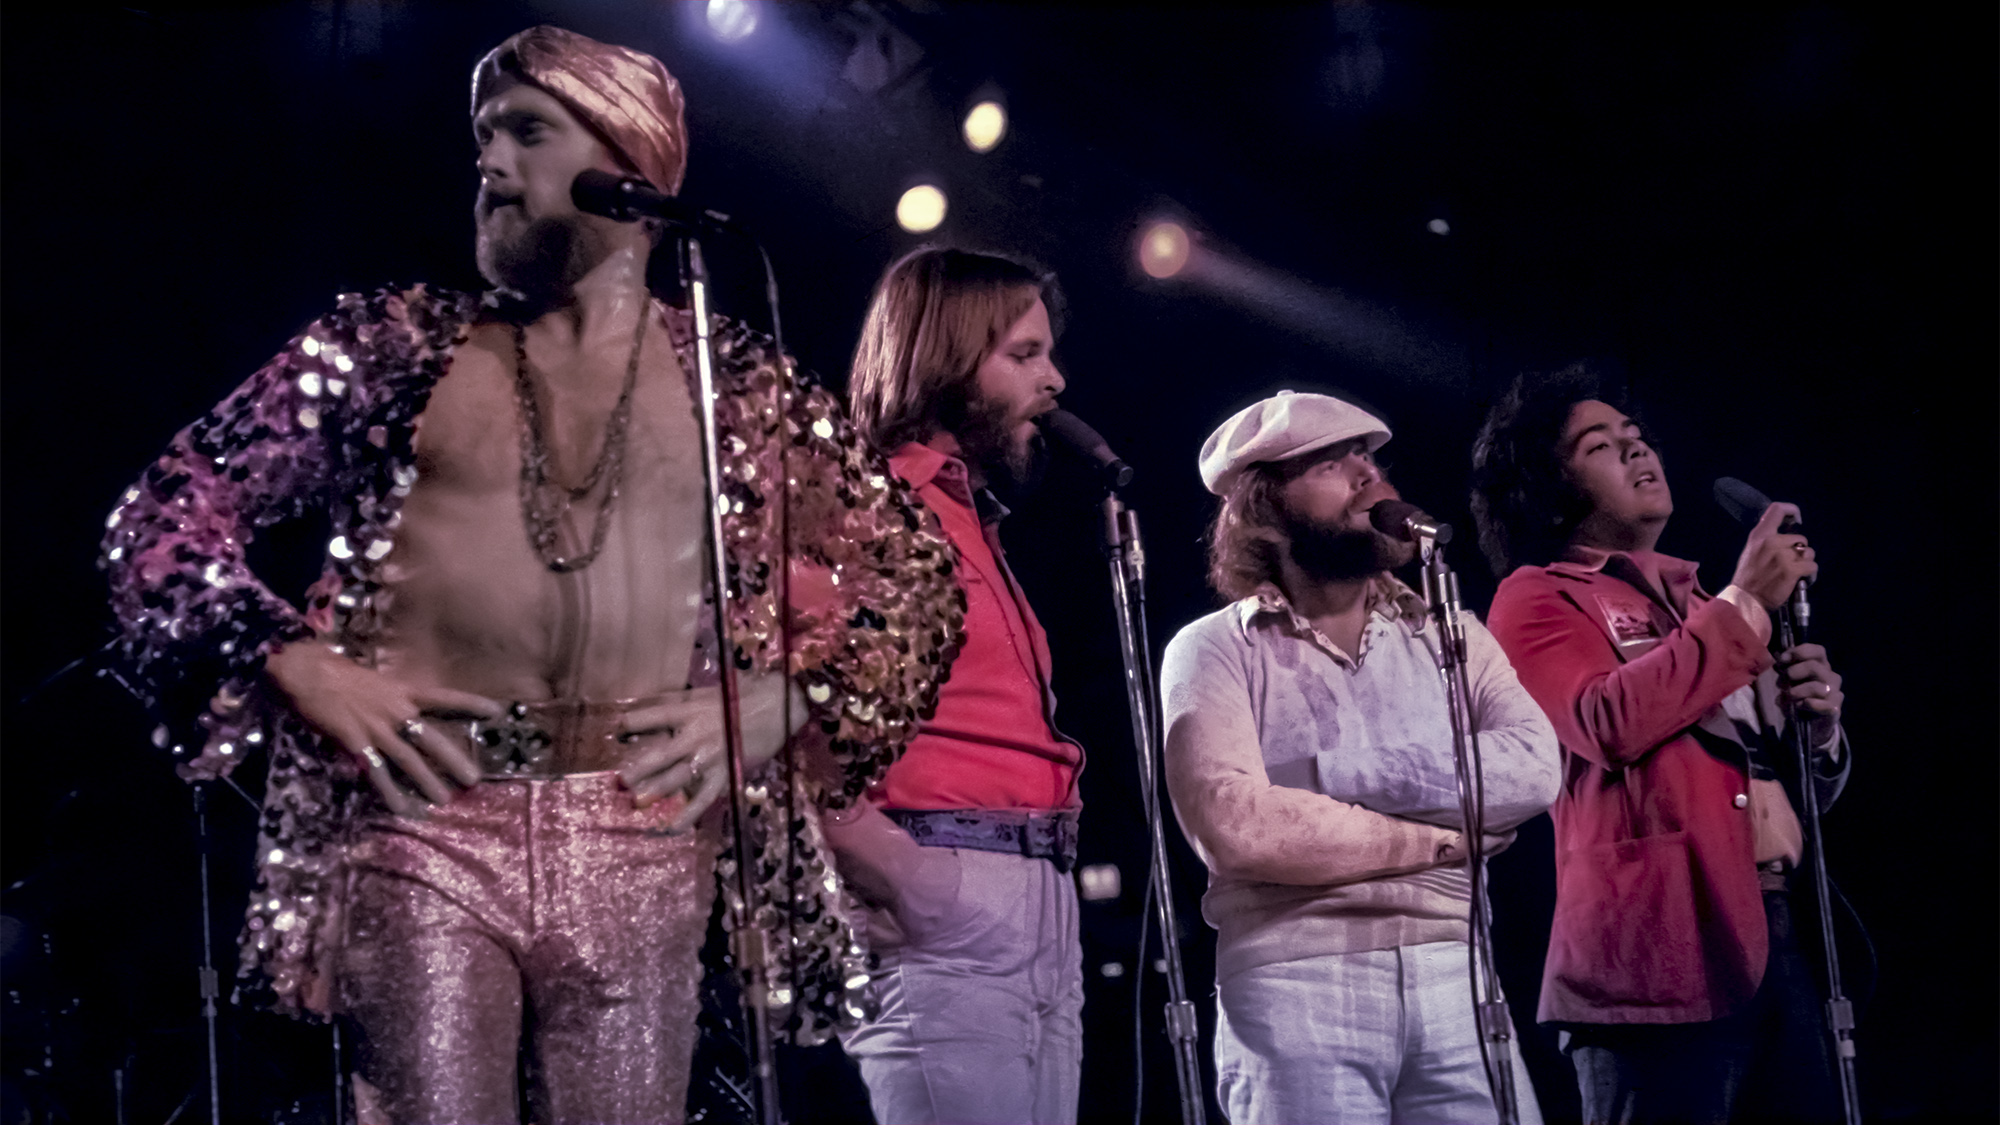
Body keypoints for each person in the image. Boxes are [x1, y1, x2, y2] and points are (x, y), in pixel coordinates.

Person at [101, 26, 961, 1125]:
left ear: (630, 167)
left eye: (526, 131)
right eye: (482, 138)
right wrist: (292, 659)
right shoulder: (390, 344)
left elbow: (916, 577)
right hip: (424, 820)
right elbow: (162, 514)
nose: (491, 163)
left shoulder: (733, 378)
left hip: (641, 829)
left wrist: (788, 691)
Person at [1159, 390, 1561, 1125]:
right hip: (1291, 979)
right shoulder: (1211, 647)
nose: (1369, 477)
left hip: (1458, 972)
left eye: (1369, 458)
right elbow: (1240, 828)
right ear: (1263, 506)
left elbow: (1534, 766)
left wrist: (1332, 777)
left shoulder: (1450, 632)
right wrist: (1444, 839)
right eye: (1331, 463)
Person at [1471, 365, 1849, 1125]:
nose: (1639, 454)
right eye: (1601, 446)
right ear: (1549, 481)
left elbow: (1769, 779)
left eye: (1639, 439)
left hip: (1781, 932)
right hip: (1656, 953)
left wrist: (1820, 733)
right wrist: (1746, 606)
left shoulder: (1702, 602)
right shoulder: (1537, 595)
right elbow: (1604, 720)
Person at [823, 247, 1086, 1125]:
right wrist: (900, 870)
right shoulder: (866, 509)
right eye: (1024, 355)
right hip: (950, 885)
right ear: (945, 359)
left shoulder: (970, 517)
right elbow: (771, 713)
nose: (1054, 380)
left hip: (1040, 892)